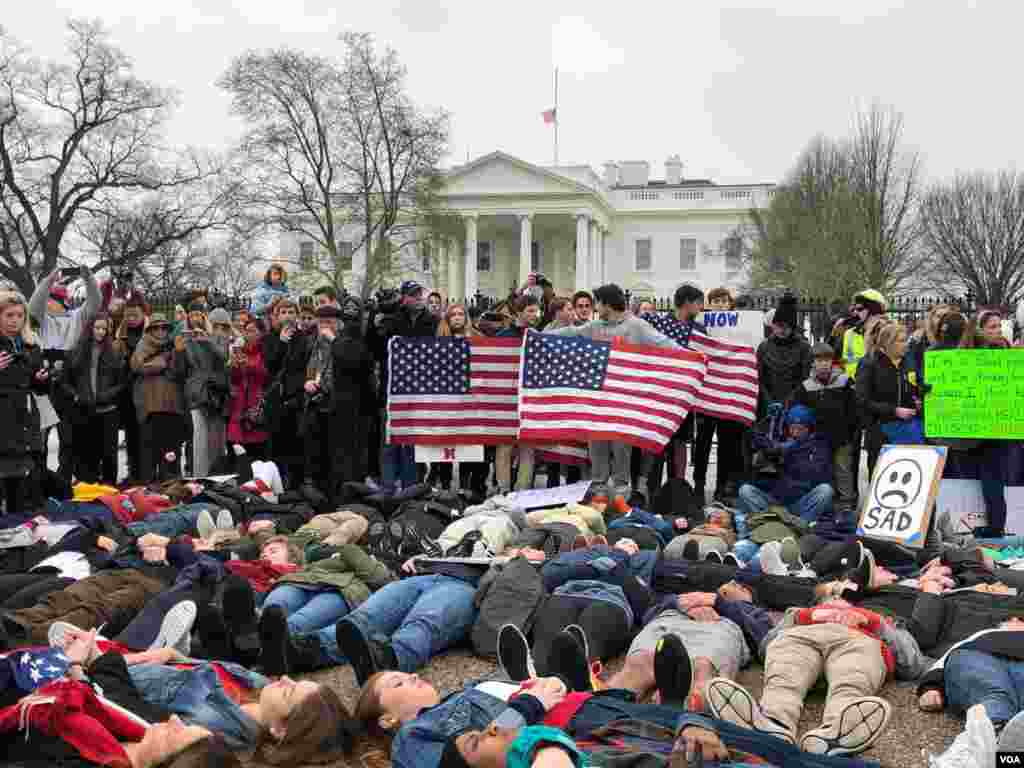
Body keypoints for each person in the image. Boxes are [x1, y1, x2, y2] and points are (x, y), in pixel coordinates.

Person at [706, 599, 894, 757]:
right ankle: (773, 723)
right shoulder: (799, 614)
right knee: (784, 676)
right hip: (800, 637)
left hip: (857, 640)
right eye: (832, 597)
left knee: (852, 680)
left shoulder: (875, 618)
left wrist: (875, 622)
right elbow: (767, 645)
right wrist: (798, 618)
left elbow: (910, 659)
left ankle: (838, 730)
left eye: (842, 599)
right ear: (821, 601)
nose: (837, 599)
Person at [547, 284, 678, 503]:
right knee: (596, 443)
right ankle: (598, 489)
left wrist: (691, 356)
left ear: (607, 304)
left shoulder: (637, 326)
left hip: (623, 399)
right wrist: (540, 336)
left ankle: (621, 491)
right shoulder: (594, 326)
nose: (595, 307)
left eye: (597, 302)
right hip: (597, 397)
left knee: (621, 447)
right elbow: (571, 332)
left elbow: (664, 344)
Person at [27, 266, 102, 482]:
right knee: (38, 439)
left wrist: (89, 280)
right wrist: (48, 281)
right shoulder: (38, 322)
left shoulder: (76, 318)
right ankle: (38, 481)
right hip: (43, 386)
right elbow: (34, 306)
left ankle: (64, 480)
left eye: (56, 299)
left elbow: (95, 303)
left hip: (69, 385)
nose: (51, 303)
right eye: (50, 299)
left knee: (68, 440)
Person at [301, 299, 374, 505]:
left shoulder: (347, 339)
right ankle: (322, 496)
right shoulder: (312, 342)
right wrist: (307, 381)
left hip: (343, 407)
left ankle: (343, 498)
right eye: (321, 321)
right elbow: (308, 367)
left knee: (341, 459)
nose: (325, 326)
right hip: (317, 403)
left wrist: (333, 339)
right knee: (319, 456)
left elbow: (353, 361)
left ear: (338, 322)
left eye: (329, 321)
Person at [735, 404, 834, 556]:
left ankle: (799, 527)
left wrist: (791, 455)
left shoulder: (818, 445)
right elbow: (759, 479)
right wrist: (767, 461)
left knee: (825, 491)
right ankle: (769, 523)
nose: (795, 433)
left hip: (800, 504)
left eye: (800, 429)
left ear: (809, 429)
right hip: (777, 504)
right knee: (745, 490)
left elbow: (818, 476)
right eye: (792, 428)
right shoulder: (779, 443)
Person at [370, 280, 439, 492]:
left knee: (411, 442)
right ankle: (388, 485)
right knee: (390, 441)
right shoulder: (391, 320)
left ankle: (412, 486)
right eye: (413, 294)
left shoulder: (433, 321)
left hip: (419, 389)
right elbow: (376, 351)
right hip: (392, 389)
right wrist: (375, 327)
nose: (418, 298)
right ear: (404, 297)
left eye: (420, 294)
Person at [793, 342, 858, 519]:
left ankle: (846, 506)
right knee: (821, 471)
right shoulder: (806, 386)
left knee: (843, 470)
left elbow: (853, 408)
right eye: (819, 360)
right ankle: (826, 507)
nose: (823, 364)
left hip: (842, 437)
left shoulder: (844, 381)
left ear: (833, 362)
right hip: (818, 439)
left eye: (827, 360)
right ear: (813, 363)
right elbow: (802, 413)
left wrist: (851, 432)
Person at [61, 313, 126, 484]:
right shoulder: (76, 351)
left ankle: (109, 486)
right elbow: (65, 380)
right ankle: (87, 485)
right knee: (86, 451)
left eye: (104, 329)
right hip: (84, 409)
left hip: (108, 410)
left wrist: (108, 395)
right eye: (97, 328)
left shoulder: (114, 351)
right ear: (90, 328)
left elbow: (122, 382)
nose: (101, 332)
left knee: (109, 453)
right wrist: (76, 396)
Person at [692, 287, 744, 501]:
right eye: (716, 301)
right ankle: (699, 484)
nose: (721, 304)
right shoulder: (701, 325)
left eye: (724, 301)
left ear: (730, 304)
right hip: (706, 392)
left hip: (728, 392)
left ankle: (721, 486)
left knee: (726, 444)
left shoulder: (740, 326)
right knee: (702, 443)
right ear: (709, 304)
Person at [0, 290, 47, 517]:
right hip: (2, 424)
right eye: (9, 315)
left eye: (19, 315)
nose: (14, 320)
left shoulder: (30, 345)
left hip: (25, 423)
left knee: (21, 488)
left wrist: (42, 379)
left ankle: (18, 536)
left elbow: (39, 389)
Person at [855, 322, 919, 477]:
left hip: (905, 431)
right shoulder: (869, 363)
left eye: (906, 340)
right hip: (879, 431)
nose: (906, 345)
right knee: (880, 475)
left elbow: (910, 389)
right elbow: (862, 400)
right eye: (901, 341)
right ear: (888, 343)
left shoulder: (907, 362)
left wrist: (916, 400)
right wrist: (894, 411)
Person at [495, 296, 544, 493]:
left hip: (529, 399)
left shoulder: (538, 336)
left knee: (527, 448)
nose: (535, 315)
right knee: (504, 447)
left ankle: (522, 491)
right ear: (519, 312)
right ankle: (503, 490)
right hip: (506, 400)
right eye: (530, 311)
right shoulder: (503, 336)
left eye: (537, 311)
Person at [131, 312, 187, 483]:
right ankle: (149, 486)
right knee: (149, 452)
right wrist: (163, 360)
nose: (161, 331)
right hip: (150, 406)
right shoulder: (142, 345)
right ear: (150, 330)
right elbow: (137, 366)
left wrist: (177, 353)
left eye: (164, 327)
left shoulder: (174, 345)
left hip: (171, 405)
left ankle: (171, 486)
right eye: (156, 327)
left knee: (170, 453)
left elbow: (179, 371)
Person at [178, 304, 229, 478]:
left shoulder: (218, 336)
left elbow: (224, 357)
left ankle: (216, 476)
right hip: (195, 394)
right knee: (199, 439)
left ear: (204, 316)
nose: (195, 319)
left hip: (215, 393)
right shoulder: (185, 339)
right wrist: (178, 351)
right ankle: (200, 477)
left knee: (216, 440)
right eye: (191, 316)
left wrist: (207, 340)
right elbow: (180, 370)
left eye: (198, 315)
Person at [112, 294, 149, 479]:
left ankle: (147, 471)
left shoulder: (150, 332)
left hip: (146, 390)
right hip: (126, 391)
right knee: (132, 434)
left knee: (146, 434)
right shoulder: (120, 334)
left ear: (143, 314)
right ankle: (134, 471)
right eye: (128, 315)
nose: (132, 319)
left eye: (135, 315)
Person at [756, 293, 812, 413]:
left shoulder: (804, 348)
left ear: (792, 327)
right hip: (768, 404)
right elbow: (760, 378)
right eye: (778, 326)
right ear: (773, 326)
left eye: (786, 326)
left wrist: (789, 402)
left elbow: (805, 378)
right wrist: (768, 401)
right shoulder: (764, 347)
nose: (781, 330)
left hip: (795, 403)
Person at [226, 315, 270, 460]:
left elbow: (267, 375)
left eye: (252, 330)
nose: (248, 334)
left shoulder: (265, 350)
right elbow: (235, 380)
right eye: (246, 331)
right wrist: (235, 367)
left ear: (261, 333)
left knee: (256, 451)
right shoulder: (240, 350)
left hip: (256, 404)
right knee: (237, 449)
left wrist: (249, 366)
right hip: (239, 404)